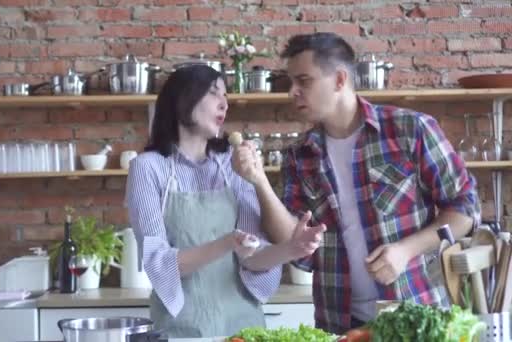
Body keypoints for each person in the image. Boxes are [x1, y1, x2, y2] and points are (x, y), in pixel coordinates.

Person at [232, 32, 481, 334]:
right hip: (339, 323)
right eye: (290, 83)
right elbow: (293, 241)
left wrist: (406, 250)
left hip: (418, 316)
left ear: (339, 80)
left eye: (304, 81)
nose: (292, 92)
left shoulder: (410, 130)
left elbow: (465, 208)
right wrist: (259, 181)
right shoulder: (299, 155)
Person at [125, 65, 325, 338]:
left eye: (226, 96)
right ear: (183, 99)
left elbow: (252, 258)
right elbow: (160, 264)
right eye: (213, 93)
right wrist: (227, 242)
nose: (225, 104)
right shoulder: (148, 168)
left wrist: (292, 249)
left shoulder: (232, 165)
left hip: (243, 326)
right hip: (182, 328)